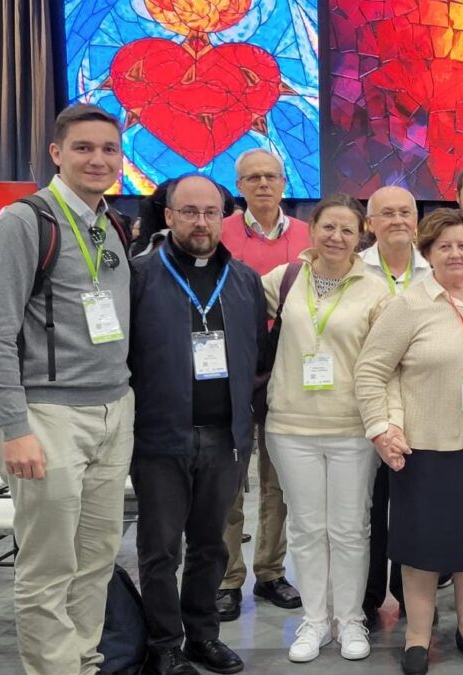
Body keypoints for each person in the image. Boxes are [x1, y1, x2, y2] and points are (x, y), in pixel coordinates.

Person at [0, 104, 135, 675]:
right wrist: (15, 430)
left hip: (115, 407)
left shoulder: (108, 222)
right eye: (84, 148)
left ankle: (85, 661)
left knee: (95, 558)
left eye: (108, 149)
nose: (97, 159)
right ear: (56, 154)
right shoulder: (23, 223)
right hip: (47, 415)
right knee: (48, 565)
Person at [355, 208, 463, 674]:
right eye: (444, 246)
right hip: (424, 443)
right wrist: (382, 428)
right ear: (427, 252)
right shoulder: (408, 304)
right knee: (422, 543)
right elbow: (371, 370)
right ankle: (418, 636)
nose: (456, 253)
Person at [129, 174, 264, 675]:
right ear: (169, 215)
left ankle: (202, 635)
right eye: (190, 212)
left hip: (226, 438)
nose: (202, 222)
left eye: (212, 212)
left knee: (212, 546)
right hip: (161, 437)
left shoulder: (245, 280)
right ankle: (163, 642)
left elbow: (256, 355)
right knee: (160, 549)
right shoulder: (139, 277)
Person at [260, 194, 392, 663]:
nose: (336, 237)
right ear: (311, 229)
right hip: (289, 426)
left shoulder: (375, 289)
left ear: (361, 237)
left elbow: (384, 364)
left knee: (351, 528)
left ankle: (351, 618)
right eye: (328, 228)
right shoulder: (284, 279)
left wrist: (384, 423)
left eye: (347, 231)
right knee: (307, 527)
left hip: (353, 428)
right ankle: (314, 620)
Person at [217, 148, 309, 621]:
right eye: (252, 178)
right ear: (240, 185)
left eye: (271, 176)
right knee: (229, 482)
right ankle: (228, 578)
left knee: (279, 482)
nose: (263, 185)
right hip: (231, 376)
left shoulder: (309, 237)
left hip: (288, 376)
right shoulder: (220, 232)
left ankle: (271, 572)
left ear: (283, 181)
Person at [360, 185, 433, 624]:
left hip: (422, 409)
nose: (398, 221)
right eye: (386, 213)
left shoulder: (434, 269)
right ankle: (366, 600)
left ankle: (413, 598)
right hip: (368, 407)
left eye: (406, 212)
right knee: (369, 508)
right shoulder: (356, 269)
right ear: (370, 224)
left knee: (415, 507)